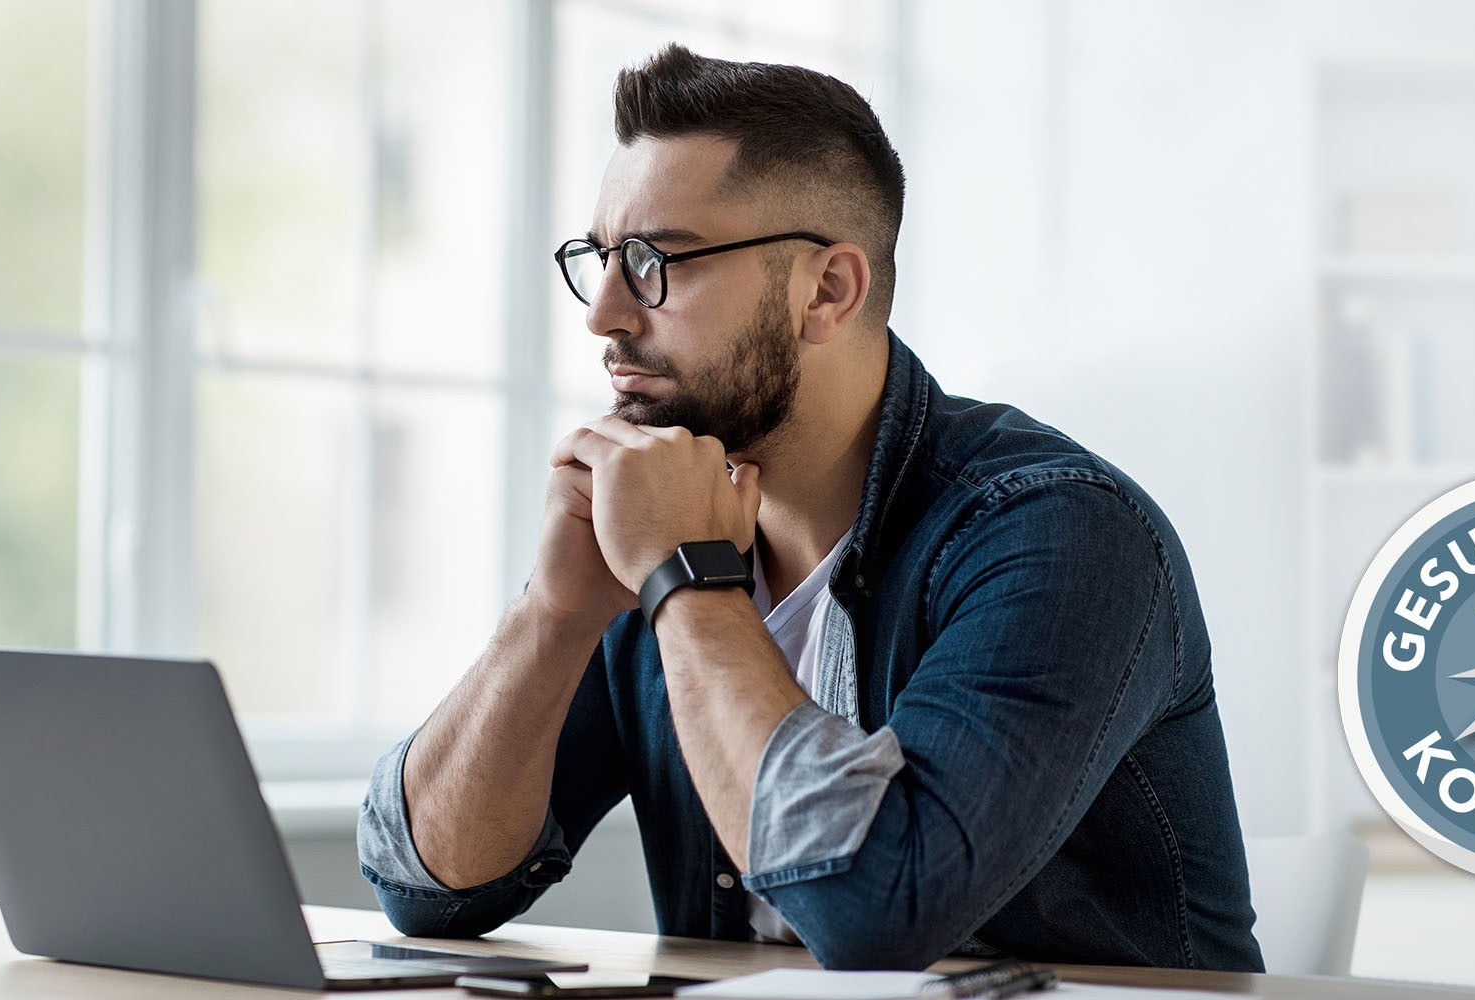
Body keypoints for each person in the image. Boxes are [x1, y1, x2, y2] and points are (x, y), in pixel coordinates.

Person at [355, 43, 1260, 972]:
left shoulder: (1061, 532)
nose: (605, 314)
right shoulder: (655, 522)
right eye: (601, 259)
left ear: (827, 291)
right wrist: (553, 615)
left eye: (656, 259)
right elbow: (429, 889)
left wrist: (689, 583)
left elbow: (880, 911)